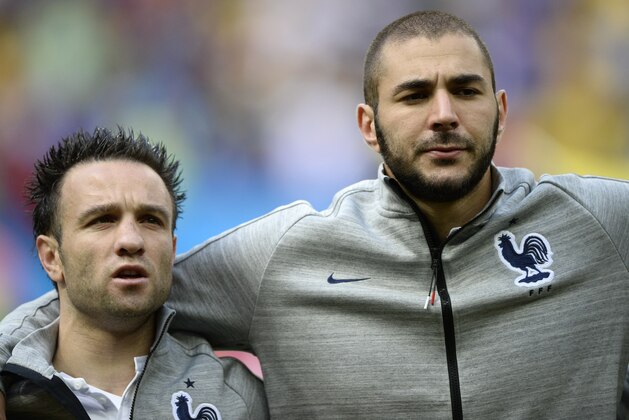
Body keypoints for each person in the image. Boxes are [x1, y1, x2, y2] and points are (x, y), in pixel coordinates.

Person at [1, 10, 628, 419]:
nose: (443, 114)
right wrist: (18, 374)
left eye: (465, 90)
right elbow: (105, 287)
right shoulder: (286, 255)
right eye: (413, 95)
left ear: (501, 110)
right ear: (368, 126)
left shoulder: (597, 222)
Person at [0, 128, 268, 419]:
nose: (131, 240)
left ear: (172, 250)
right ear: (51, 257)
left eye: (151, 220)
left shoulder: (236, 396)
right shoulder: (12, 399)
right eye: (102, 220)